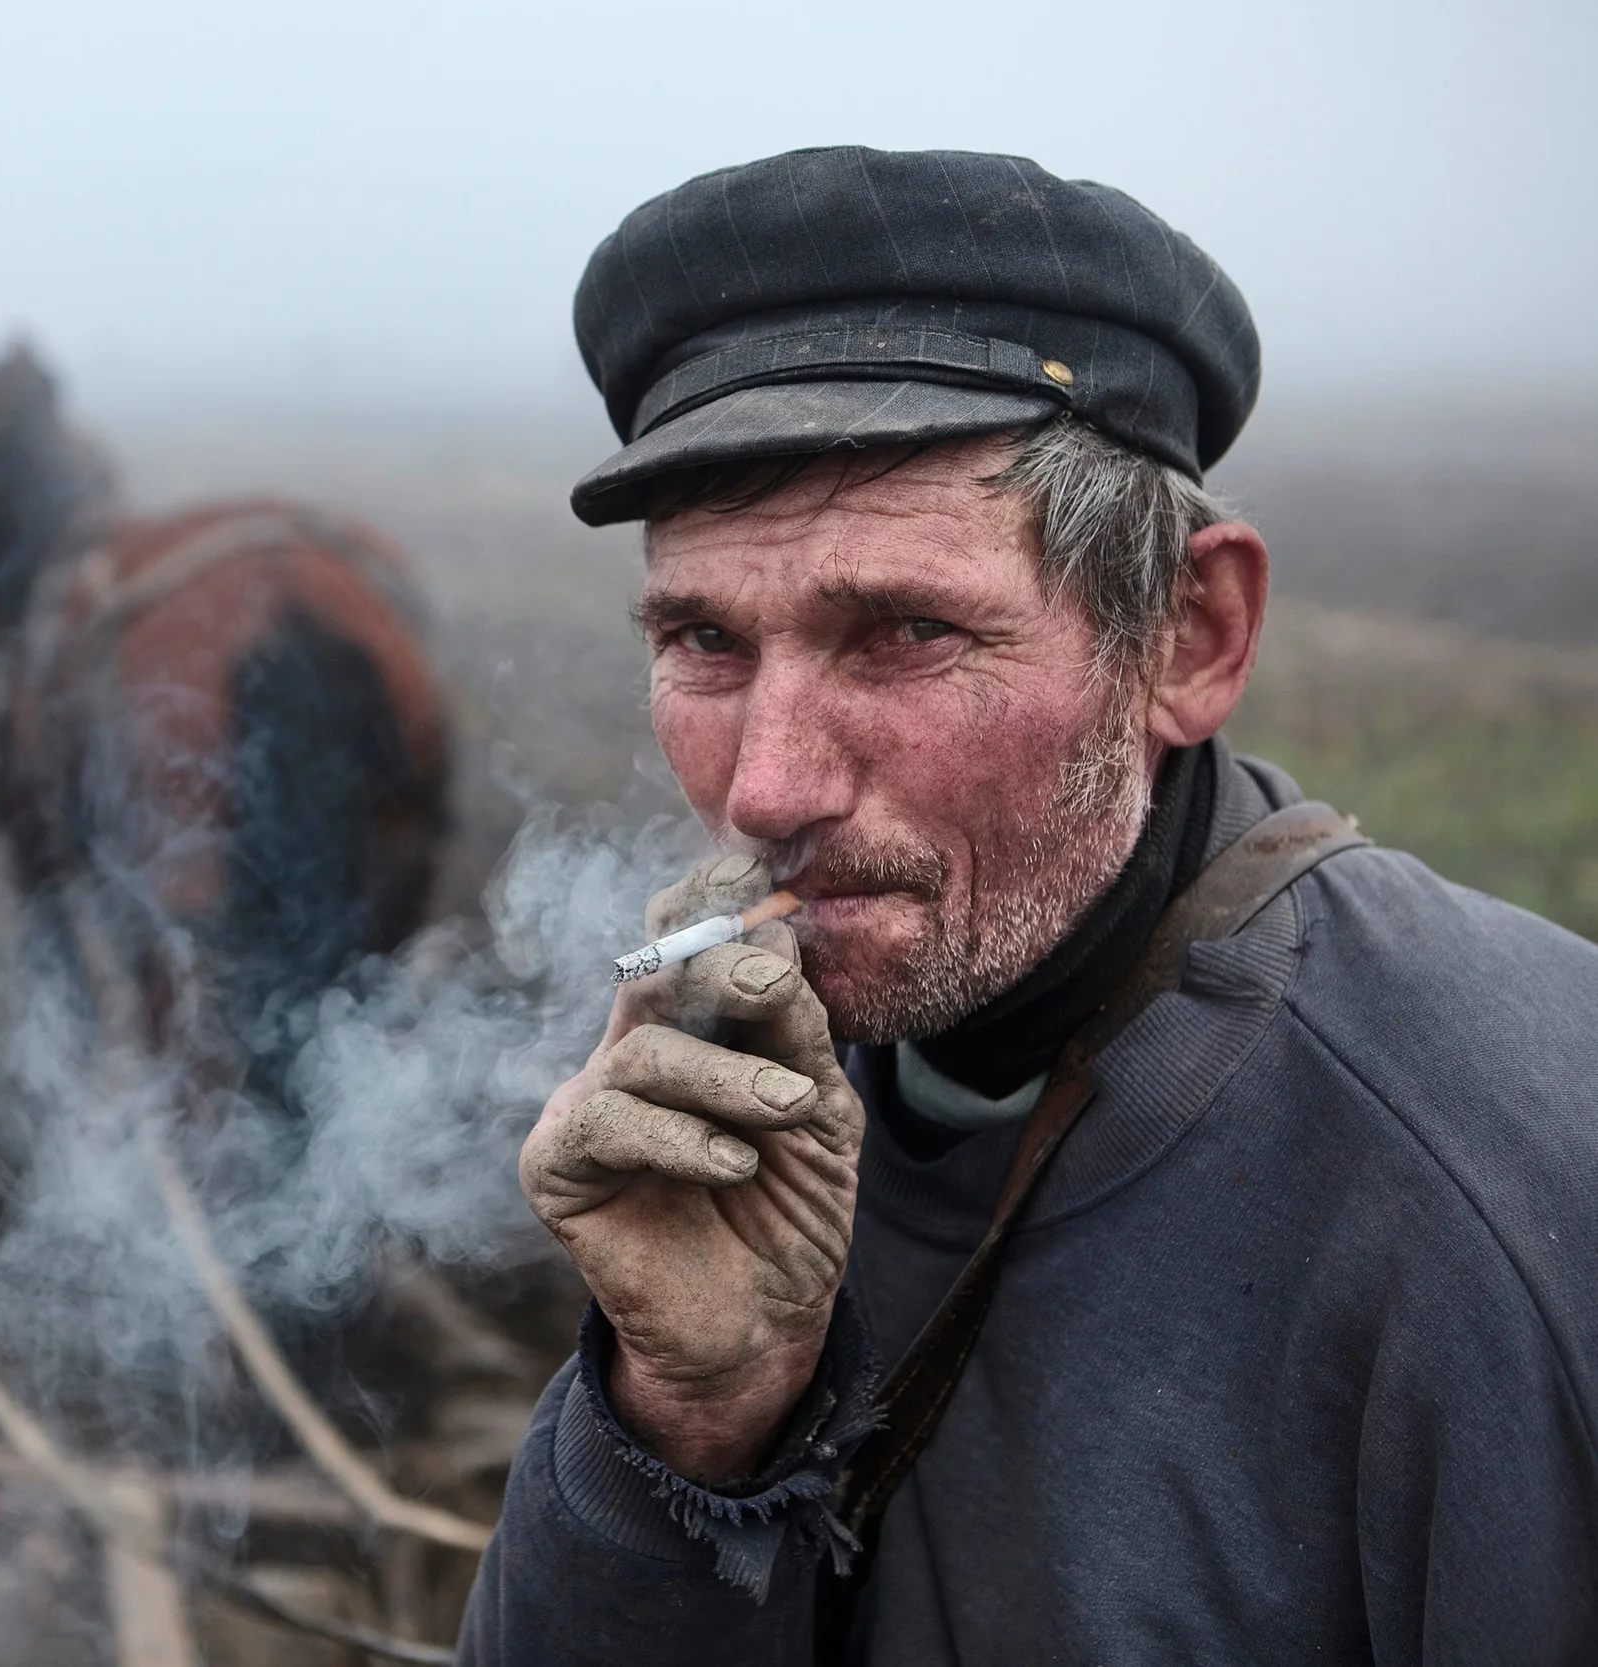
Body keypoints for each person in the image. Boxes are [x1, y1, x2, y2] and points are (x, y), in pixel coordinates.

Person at [456, 146, 1598, 1665]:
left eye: (906, 631)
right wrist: (687, 1422)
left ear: (1187, 637)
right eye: (706, 643)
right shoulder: (734, 1088)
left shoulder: (1517, 1200)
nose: (769, 788)